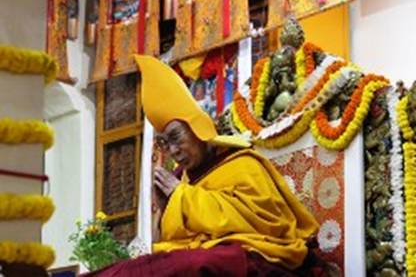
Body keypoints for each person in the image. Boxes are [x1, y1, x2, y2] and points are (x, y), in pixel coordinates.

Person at [84, 56, 322, 276]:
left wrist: (182, 197)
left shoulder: (242, 163)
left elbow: (268, 224)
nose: (173, 151)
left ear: (198, 127)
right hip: (204, 251)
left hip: (252, 252)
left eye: (176, 137)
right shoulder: (183, 178)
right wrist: (164, 207)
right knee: (132, 269)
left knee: (190, 265)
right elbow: (168, 242)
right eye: (164, 143)